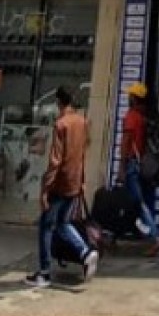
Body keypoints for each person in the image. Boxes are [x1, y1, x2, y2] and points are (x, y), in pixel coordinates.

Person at [25, 86, 97, 290]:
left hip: (60, 183)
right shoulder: (82, 122)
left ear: (58, 102)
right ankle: (85, 252)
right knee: (63, 223)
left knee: (46, 226)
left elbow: (55, 160)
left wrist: (45, 188)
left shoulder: (61, 124)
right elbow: (83, 153)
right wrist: (82, 182)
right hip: (74, 182)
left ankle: (44, 272)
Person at [119, 82, 159, 257]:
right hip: (140, 165)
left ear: (135, 98)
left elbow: (126, 142)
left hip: (132, 164)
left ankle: (155, 238)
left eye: (130, 95)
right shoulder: (142, 118)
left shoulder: (131, 116)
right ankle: (136, 231)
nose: (128, 97)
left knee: (138, 203)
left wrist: (121, 167)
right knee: (136, 202)